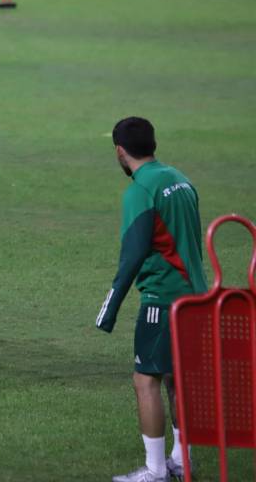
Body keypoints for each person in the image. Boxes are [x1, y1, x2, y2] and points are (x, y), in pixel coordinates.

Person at [96, 117, 207, 482]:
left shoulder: (141, 190)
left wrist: (108, 310)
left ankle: (156, 470)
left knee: (146, 380)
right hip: (196, 295)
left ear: (119, 151)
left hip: (163, 298)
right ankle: (182, 459)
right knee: (178, 378)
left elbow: (132, 254)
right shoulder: (180, 179)